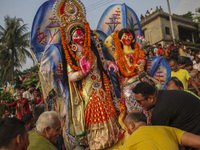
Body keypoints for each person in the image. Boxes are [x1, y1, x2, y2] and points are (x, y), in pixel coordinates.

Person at [53, 1, 120, 148]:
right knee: (94, 110)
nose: (80, 37)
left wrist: (111, 64)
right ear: (70, 38)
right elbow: (70, 76)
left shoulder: (93, 49)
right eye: (76, 35)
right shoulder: (72, 55)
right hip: (87, 89)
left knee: (108, 108)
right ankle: (97, 143)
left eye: (82, 34)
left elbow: (102, 63)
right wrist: (83, 72)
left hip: (102, 84)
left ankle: (112, 137)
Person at [104, 28, 161, 114]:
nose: (127, 39)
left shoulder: (138, 51)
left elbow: (143, 59)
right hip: (128, 83)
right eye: (124, 37)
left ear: (133, 39)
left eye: (130, 37)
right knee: (130, 99)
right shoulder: (117, 53)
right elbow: (107, 43)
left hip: (141, 79)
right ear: (120, 39)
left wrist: (141, 62)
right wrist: (116, 33)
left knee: (150, 98)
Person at [132, 82, 200, 136]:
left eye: (139, 101)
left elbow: (158, 136)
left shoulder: (160, 110)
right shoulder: (165, 95)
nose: (138, 104)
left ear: (151, 98)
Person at [118, 111, 200, 150]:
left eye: (127, 129)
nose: (127, 132)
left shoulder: (131, 140)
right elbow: (197, 141)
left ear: (132, 125)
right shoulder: (167, 129)